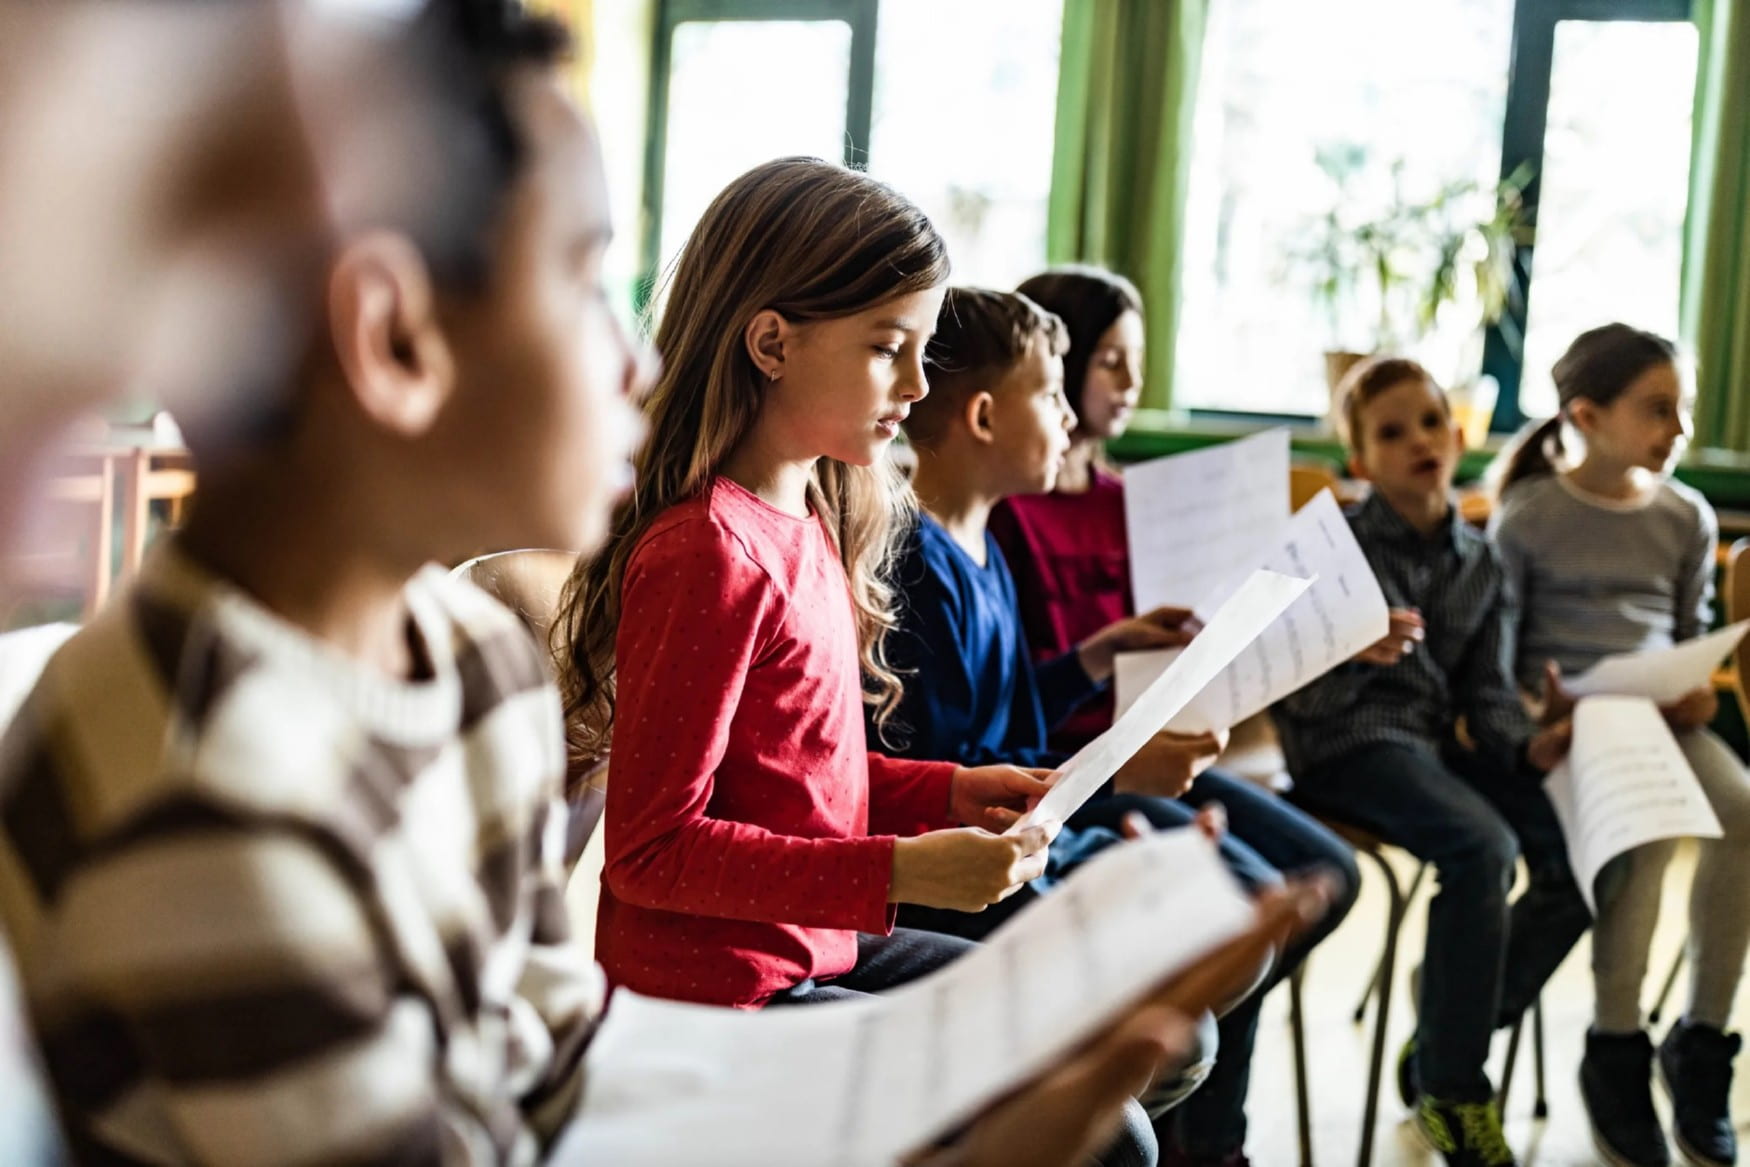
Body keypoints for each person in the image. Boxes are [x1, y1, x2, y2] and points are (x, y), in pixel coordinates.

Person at [0, 3, 1329, 1161]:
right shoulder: (203, 791)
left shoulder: (467, 653)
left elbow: (557, 1059)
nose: (639, 363)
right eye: (586, 282)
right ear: (394, 335)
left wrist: (949, 1057)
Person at [985, 266, 1361, 1166]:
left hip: (1166, 743)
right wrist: (1120, 745)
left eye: (1135, 362)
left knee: (1326, 874)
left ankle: (1200, 1117)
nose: (1128, 383)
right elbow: (1019, 703)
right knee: (1247, 905)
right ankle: (1210, 1142)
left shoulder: (1130, 499)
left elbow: (1190, 632)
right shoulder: (1006, 514)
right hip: (1077, 768)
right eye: (1109, 360)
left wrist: (1333, 631)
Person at [1270, 355, 1587, 1167]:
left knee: (1578, 851)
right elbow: (1287, 690)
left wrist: (1531, 740)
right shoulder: (1328, 544)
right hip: (1343, 743)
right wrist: (1348, 646)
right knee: (1482, 845)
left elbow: (1487, 699)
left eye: (1431, 422)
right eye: (1390, 431)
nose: (1419, 439)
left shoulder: (1481, 562)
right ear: (1359, 461)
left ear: (1456, 435)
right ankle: (1453, 1085)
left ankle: (1449, 1026)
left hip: (1432, 744)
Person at [1492, 323, 1750, 1167]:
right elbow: (1499, 656)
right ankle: (1615, 1047)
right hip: (1564, 730)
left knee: (1744, 810)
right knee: (1639, 833)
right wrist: (1544, 711)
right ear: (1586, 415)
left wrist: (1690, 691)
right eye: (1659, 410)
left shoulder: (1685, 515)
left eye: (1684, 409)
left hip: (1657, 718)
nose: (1678, 429)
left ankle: (1702, 1043)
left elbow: (1688, 633)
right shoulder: (1529, 517)